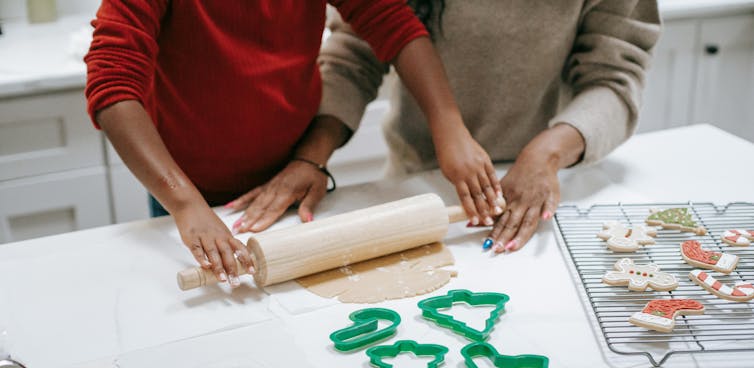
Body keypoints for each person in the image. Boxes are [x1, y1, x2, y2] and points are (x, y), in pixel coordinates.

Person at [84, 1, 501, 287]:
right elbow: (112, 81)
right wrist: (184, 202)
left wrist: (448, 124)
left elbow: (391, 21)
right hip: (189, 190)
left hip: (293, 179)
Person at [317, 0, 661, 253]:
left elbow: (615, 80)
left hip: (543, 189)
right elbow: (354, 53)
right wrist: (311, 155)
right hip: (420, 183)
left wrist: (548, 153)